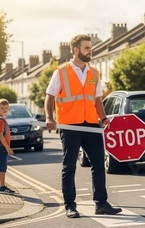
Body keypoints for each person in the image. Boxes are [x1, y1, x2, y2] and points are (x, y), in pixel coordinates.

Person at [45, 34, 121, 218]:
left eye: (90, 48)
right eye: (87, 48)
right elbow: (50, 96)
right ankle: (70, 205)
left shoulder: (94, 72)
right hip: (70, 126)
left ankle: (101, 203)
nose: (90, 51)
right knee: (69, 166)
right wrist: (49, 117)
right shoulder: (61, 72)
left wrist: (103, 119)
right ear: (76, 50)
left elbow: (97, 99)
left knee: (98, 164)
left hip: (91, 125)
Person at [0, 99, 16, 194]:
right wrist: (7, 148)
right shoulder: (1, 121)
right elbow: (1, 135)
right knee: (2, 168)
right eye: (2, 108)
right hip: (2, 147)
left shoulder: (2, 120)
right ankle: (2, 187)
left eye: (6, 108)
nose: (4, 109)